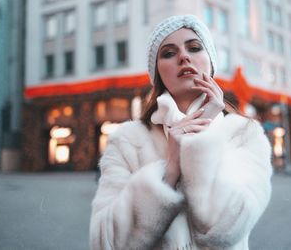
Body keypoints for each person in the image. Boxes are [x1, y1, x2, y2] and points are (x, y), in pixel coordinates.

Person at [89, 14, 273, 250]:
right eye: (168, 53)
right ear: (158, 74)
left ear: (210, 61)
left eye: (194, 48)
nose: (184, 56)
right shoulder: (127, 141)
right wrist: (169, 170)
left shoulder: (245, 134)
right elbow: (104, 242)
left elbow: (226, 231)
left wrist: (200, 143)